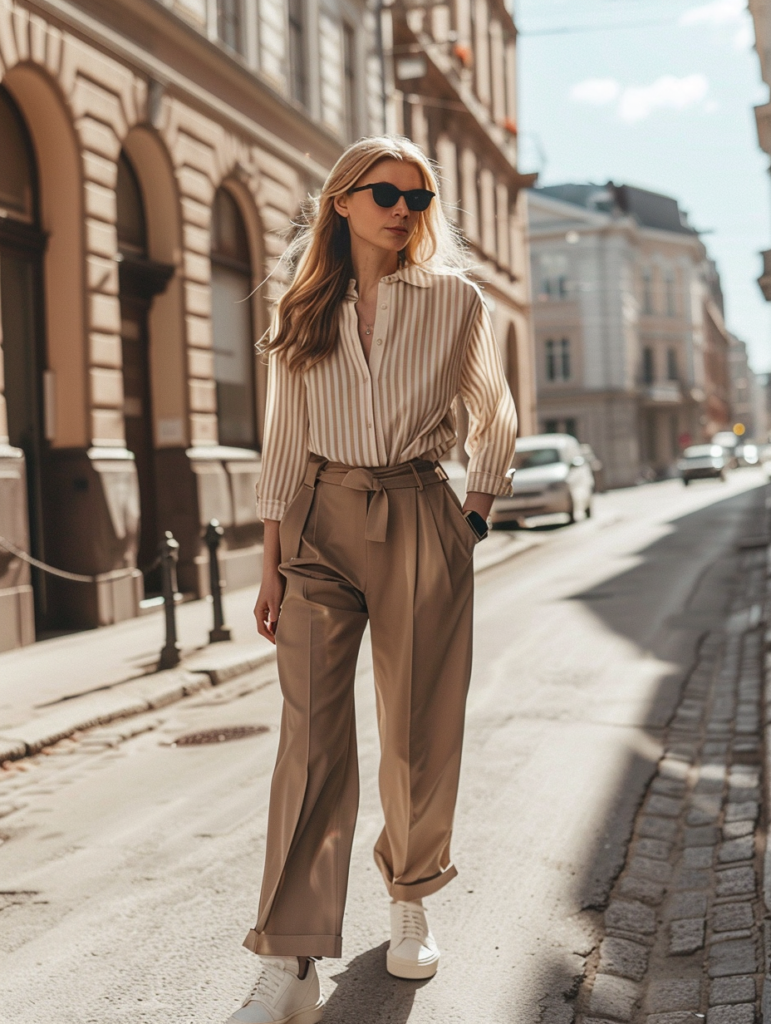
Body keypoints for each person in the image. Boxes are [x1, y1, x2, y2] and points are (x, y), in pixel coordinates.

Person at [226, 135, 518, 1024]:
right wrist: (270, 563)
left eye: (419, 200)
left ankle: (410, 896)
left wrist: (472, 513)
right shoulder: (302, 304)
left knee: (417, 728)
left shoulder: (455, 300)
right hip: (318, 523)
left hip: (420, 513)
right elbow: (284, 438)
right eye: (386, 193)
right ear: (343, 200)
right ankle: (292, 958)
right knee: (309, 739)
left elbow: (492, 410)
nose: (403, 210)